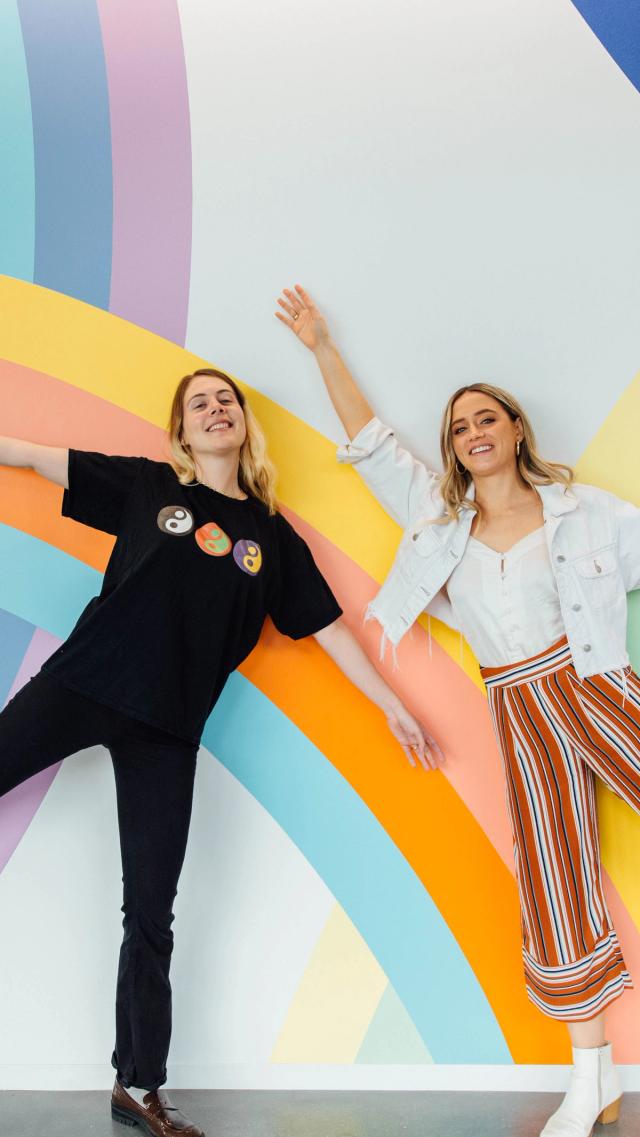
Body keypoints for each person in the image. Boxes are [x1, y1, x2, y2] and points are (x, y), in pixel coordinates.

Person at [0, 366, 443, 1137]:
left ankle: (138, 1085)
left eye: (226, 400)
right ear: (182, 428)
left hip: (168, 730)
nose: (215, 409)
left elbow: (332, 630)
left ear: (243, 425)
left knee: (151, 910)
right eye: (199, 403)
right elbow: (38, 458)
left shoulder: (271, 536)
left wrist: (395, 706)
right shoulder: (147, 488)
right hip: (83, 683)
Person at [277, 285, 640, 1137]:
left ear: (516, 429)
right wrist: (323, 345)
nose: (473, 435)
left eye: (486, 419)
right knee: (557, 882)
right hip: (517, 699)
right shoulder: (439, 521)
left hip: (598, 683)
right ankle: (591, 1079)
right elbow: (369, 448)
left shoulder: (586, 512)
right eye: (458, 429)